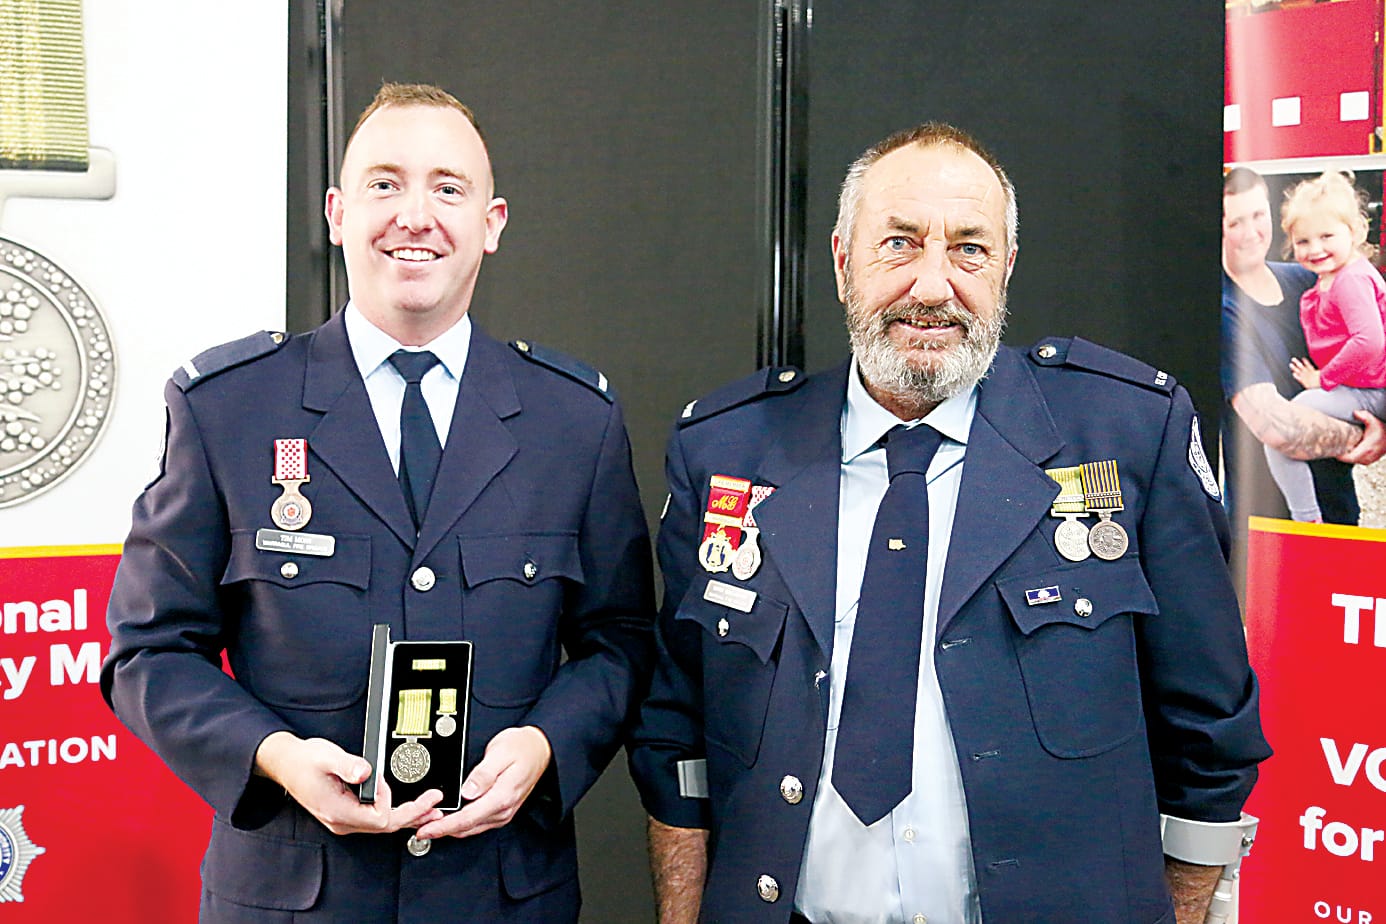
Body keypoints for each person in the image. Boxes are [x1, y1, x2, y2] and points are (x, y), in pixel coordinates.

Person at [629, 123, 1271, 923]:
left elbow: (1209, 731)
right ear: (840, 262)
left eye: (968, 250)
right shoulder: (728, 448)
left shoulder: (1127, 432)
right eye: (898, 244)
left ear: (1004, 268)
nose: (933, 285)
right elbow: (676, 733)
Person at [101, 83, 655, 922]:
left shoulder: (573, 420)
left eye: (448, 187)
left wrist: (545, 745)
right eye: (385, 184)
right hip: (296, 899)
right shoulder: (227, 408)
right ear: (336, 211)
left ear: (492, 223)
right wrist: (276, 755)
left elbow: (621, 642)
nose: (415, 215)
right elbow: (147, 651)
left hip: (504, 896)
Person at [1219, 167, 1384, 525]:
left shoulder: (1311, 281)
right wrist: (1368, 436)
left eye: (1258, 215)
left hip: (1338, 510)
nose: (1251, 233)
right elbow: (1277, 428)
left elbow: (1372, 351)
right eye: (1235, 223)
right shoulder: (1223, 311)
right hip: (1268, 526)